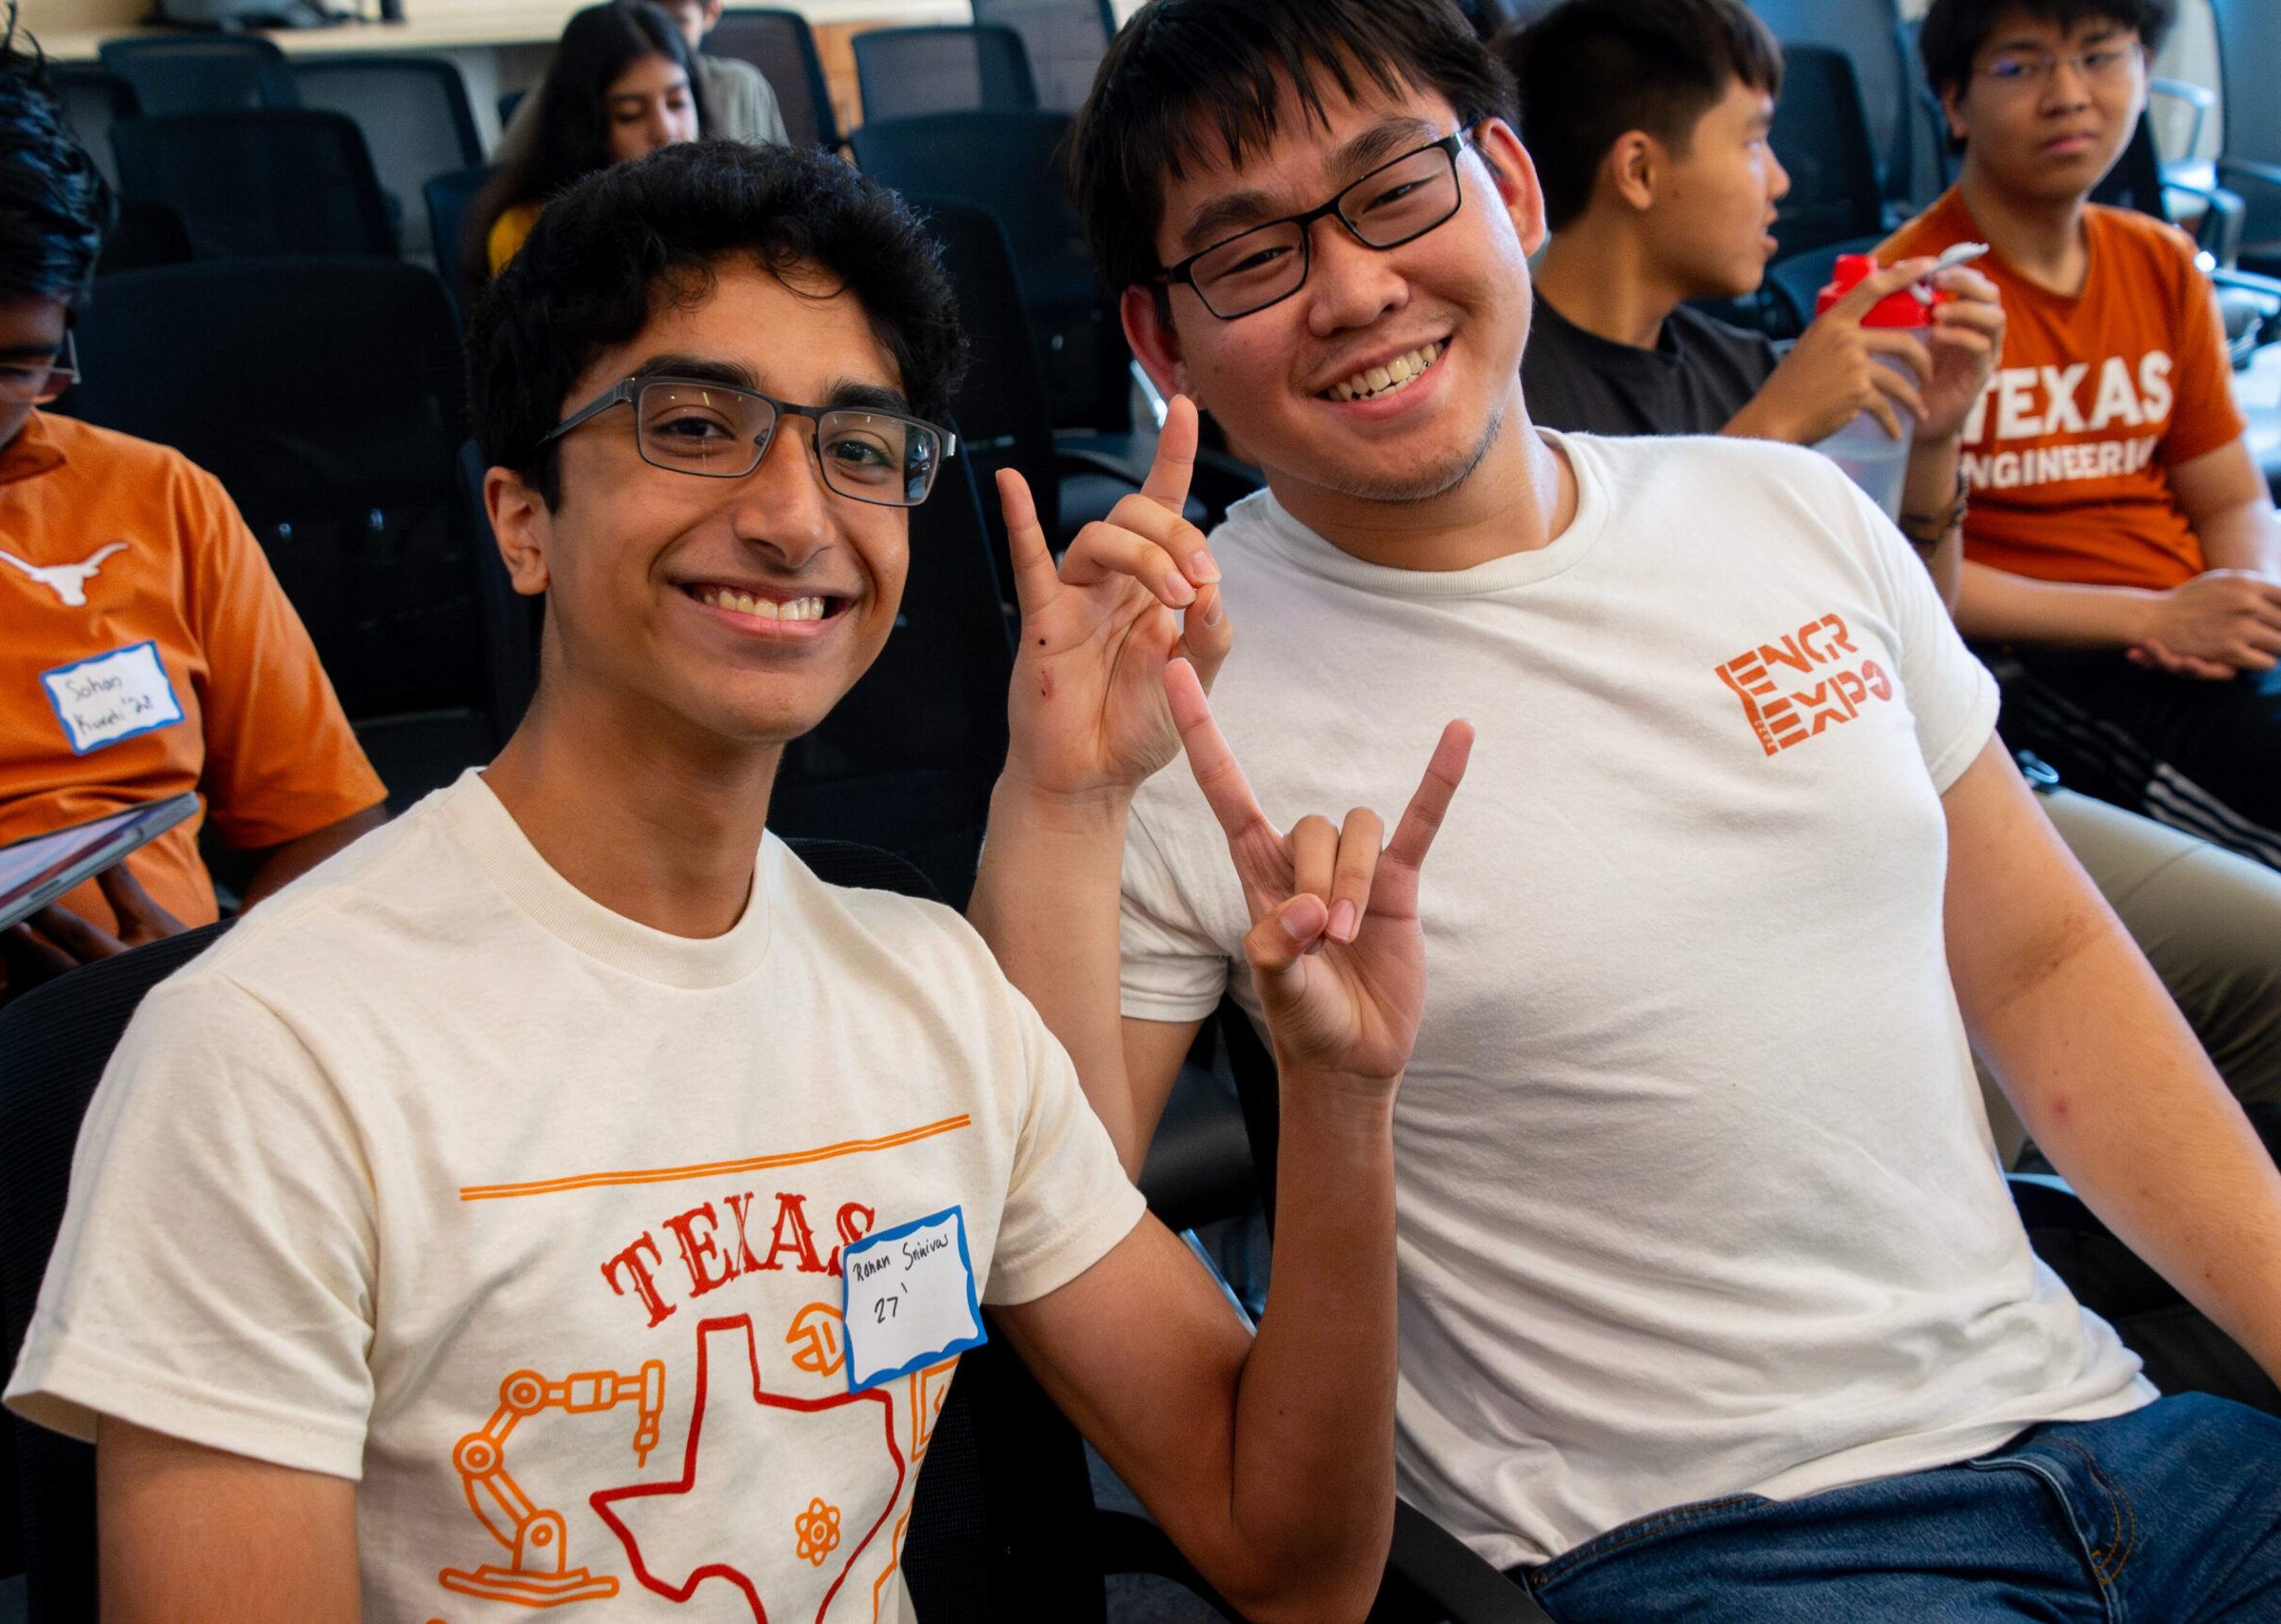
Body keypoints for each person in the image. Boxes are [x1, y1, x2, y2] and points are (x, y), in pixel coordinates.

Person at [7, 140, 1457, 1621]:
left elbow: (1297, 1563)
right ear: (521, 518)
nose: (794, 513)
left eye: (861, 446)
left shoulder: (935, 989)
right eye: (694, 424)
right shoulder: (273, 1054)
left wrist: (1338, 1103)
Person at [971, 0, 2281, 1614]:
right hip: (1728, 1544)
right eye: (1251, 257)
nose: (1358, 286)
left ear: (1511, 187)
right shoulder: (1167, 687)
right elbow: (1058, 1217)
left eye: (1397, 192)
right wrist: (1058, 798)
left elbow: (2043, 971)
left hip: (2124, 1440)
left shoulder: (1792, 508)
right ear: (1161, 346)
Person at [1503, 0, 2281, 1139]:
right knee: (1978, 1096)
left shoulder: (1736, 357)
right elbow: (1585, 655)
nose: (1783, 183)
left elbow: (1918, 612)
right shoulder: (1523, 401)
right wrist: (1775, 426)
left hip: (1938, 786)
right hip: (1786, 858)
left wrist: (1935, 442)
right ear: (1637, 169)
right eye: (1755, 139)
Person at [0, 29, 385, 1614]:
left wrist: (237, 959)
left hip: (154, 1021)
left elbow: (325, 837)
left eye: (23, 364)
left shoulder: (154, 501)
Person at [1882, 0, 2281, 871]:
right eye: (2022, 67)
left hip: (2202, 633)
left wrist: (2244, 595)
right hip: (2060, 667)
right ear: (1953, 103)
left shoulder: (2161, 261)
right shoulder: (1905, 292)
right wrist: (2161, 616)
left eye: (2102, 56)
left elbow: (2233, 494)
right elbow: (1902, 576)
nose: (2070, 96)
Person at [471, 0, 706, 282]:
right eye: (629, 114)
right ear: (582, 127)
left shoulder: (716, 211)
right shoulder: (527, 232)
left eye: (677, 103)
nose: (665, 131)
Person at [657, 0, 794, 147]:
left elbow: (776, 165)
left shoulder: (741, 85)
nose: (661, 36)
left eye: (677, 21)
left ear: (711, 12)